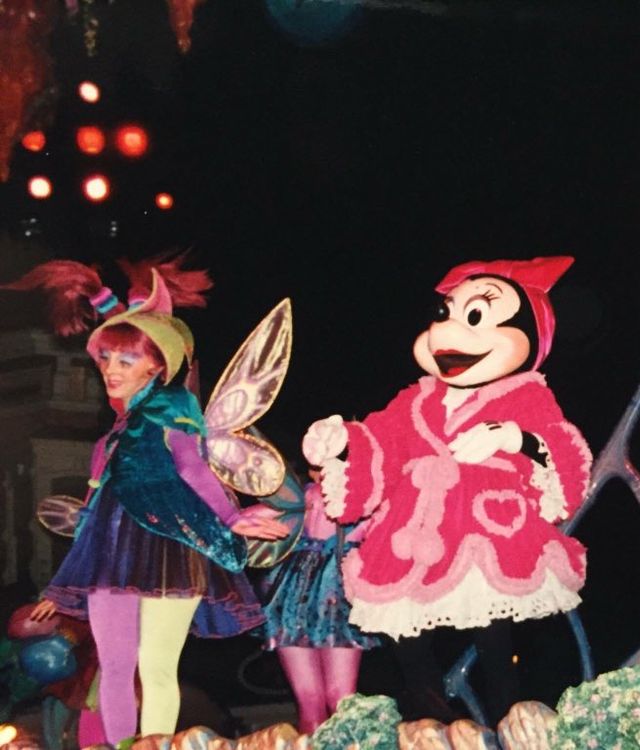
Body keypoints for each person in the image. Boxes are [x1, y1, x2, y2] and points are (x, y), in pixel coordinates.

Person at [6, 259, 287, 746]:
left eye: (125, 360)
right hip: (109, 558)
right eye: (106, 360)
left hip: (169, 550)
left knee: (155, 667)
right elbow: (91, 515)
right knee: (114, 668)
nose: (110, 371)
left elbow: (194, 470)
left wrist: (232, 516)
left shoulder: (170, 412)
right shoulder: (108, 441)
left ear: (156, 365)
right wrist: (61, 585)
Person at [303, 256, 591, 726]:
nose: (449, 332)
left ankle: (508, 724)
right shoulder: (416, 399)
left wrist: (513, 438)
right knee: (407, 640)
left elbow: (563, 449)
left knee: (494, 640)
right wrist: (342, 444)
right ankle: (433, 720)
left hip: (487, 529)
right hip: (413, 535)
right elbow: (381, 441)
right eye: (446, 314)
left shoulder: (526, 395)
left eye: (475, 316)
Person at [257, 479, 380, 733]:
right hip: (295, 590)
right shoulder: (303, 492)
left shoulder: (369, 488)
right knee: (321, 699)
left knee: (336, 699)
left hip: (328, 588)